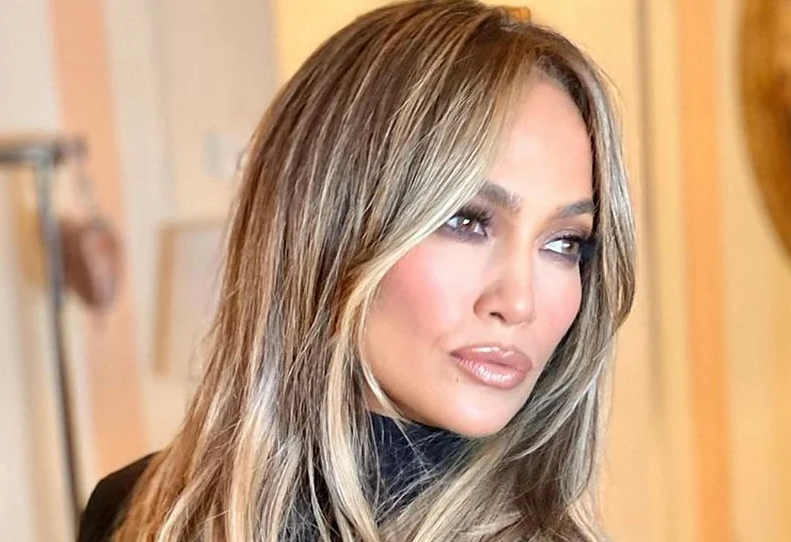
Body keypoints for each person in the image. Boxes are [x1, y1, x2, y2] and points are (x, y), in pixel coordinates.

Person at [79, 1, 635, 540]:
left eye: (565, 243)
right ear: (327, 226)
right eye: (466, 221)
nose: (519, 302)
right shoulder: (138, 511)